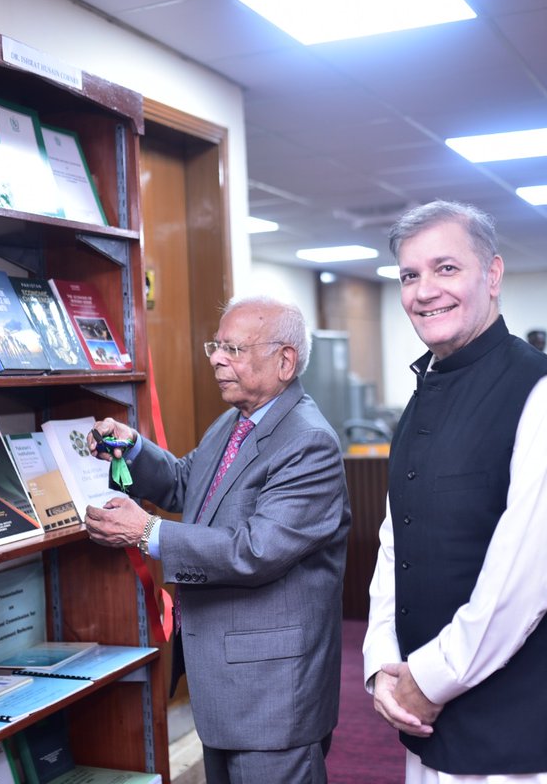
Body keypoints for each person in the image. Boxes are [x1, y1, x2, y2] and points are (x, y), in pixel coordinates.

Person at [363, 200, 547, 782]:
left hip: (527, 727)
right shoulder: (422, 393)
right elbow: (394, 543)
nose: (425, 290)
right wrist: (382, 661)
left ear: (493, 275)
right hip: (426, 711)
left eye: (445, 268)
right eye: (409, 275)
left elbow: (529, 575)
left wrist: (428, 678)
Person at [83, 295, 352, 783]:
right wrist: (133, 448)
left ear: (285, 361)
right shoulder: (235, 421)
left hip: (272, 691)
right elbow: (189, 483)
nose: (215, 358)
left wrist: (147, 532)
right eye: (216, 345)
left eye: (233, 348)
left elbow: (256, 550)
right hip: (227, 680)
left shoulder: (308, 442)